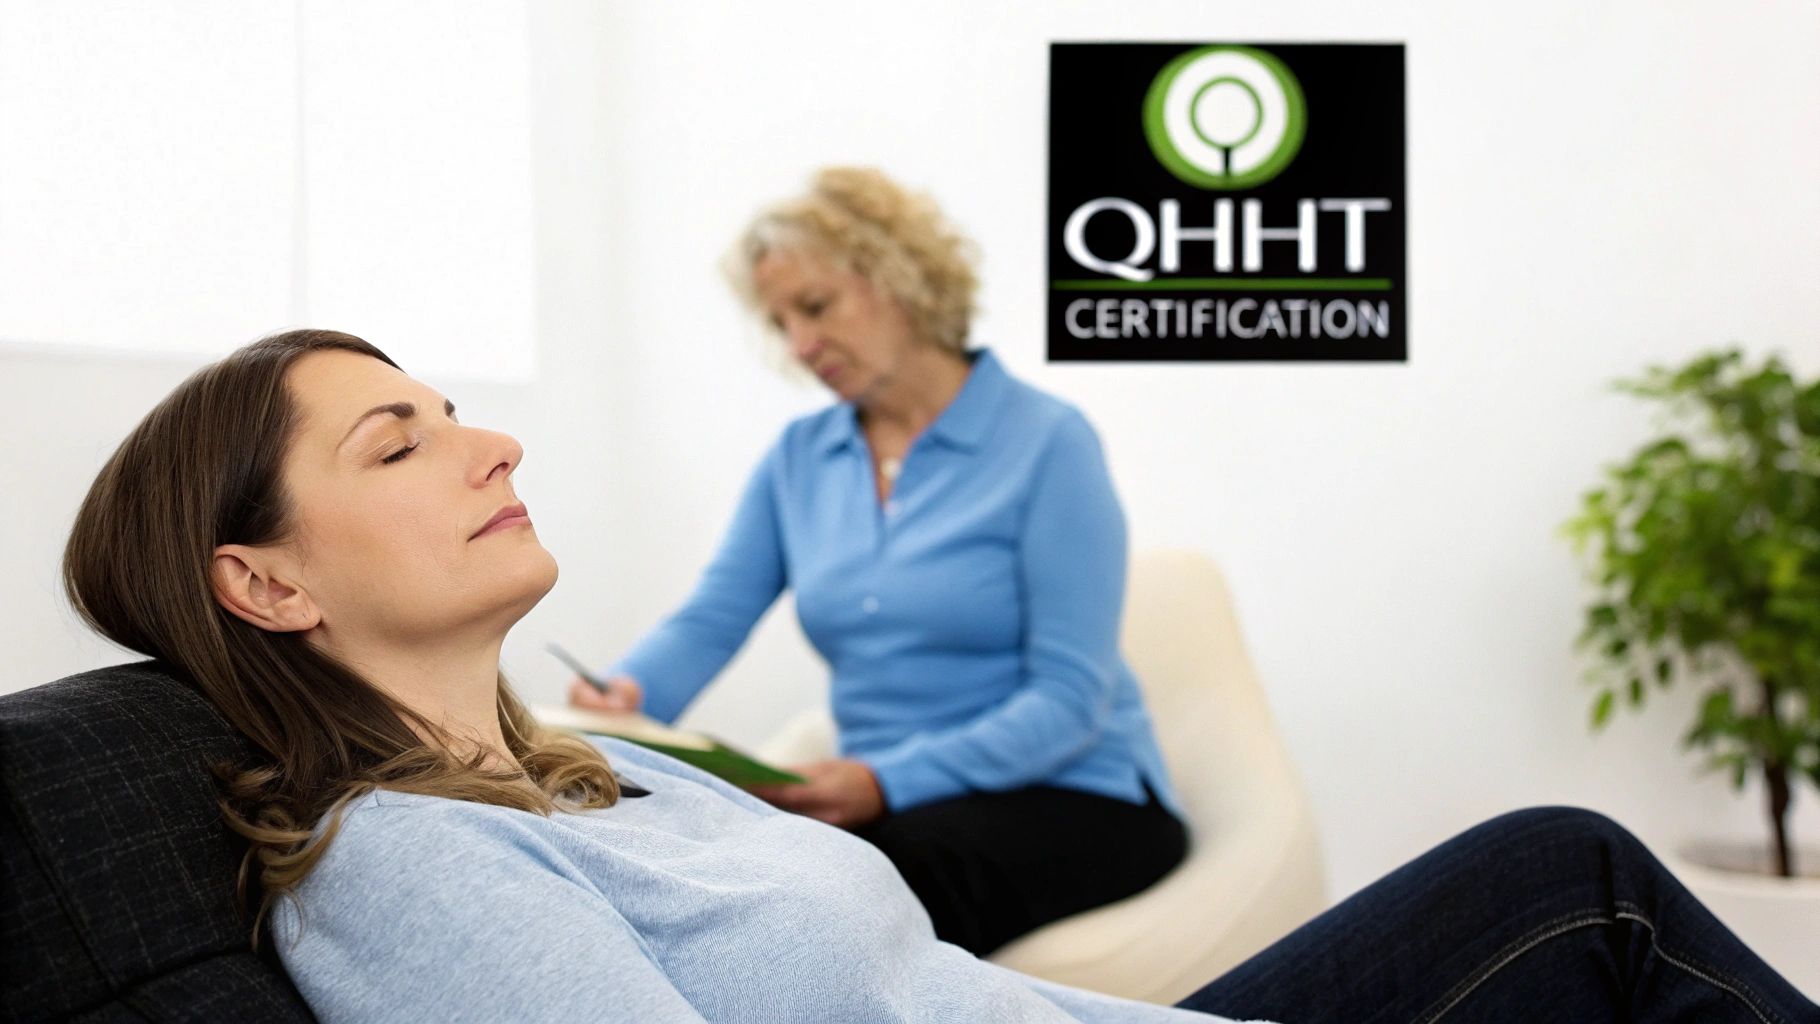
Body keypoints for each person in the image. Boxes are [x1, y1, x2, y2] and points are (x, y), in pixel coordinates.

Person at [59, 329, 1817, 1023]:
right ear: (265, 579)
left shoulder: (597, 778)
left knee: (1556, 876)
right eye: (400, 440)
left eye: (457, 408)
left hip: (1105, 868)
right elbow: (720, 606)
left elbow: (1057, 709)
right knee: (1574, 890)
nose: (492, 439)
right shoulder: (413, 860)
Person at [566, 167, 1187, 955]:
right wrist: (627, 698)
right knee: (703, 861)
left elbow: (1070, 702)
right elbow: (713, 617)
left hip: (1076, 795)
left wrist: (884, 781)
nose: (799, 345)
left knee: (869, 883)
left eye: (815, 306)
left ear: (901, 280)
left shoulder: (1047, 442)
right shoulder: (800, 457)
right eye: (780, 322)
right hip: (890, 803)